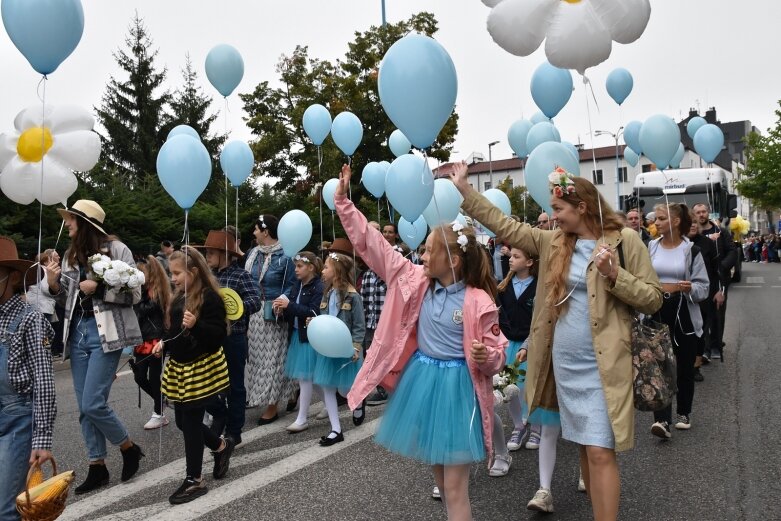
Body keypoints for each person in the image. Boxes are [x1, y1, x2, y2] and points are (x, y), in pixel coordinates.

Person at [450, 164, 662, 521]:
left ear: (581, 206)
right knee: (584, 446)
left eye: (559, 209)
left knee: (600, 451)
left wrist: (615, 274)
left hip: (603, 366)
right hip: (562, 366)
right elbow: (507, 227)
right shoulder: (553, 242)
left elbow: (653, 298)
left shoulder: (626, 241)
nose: (553, 215)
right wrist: (466, 192)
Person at [336, 165, 507, 521]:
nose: (423, 257)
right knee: (443, 484)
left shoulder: (478, 301)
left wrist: (486, 355)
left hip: (459, 389)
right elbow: (372, 244)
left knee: (457, 488)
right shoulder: (413, 280)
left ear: (453, 261)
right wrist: (344, 203)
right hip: (424, 384)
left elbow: (497, 355)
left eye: (430, 251)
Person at [46, 200, 144, 494]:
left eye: (71, 221)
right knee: (84, 408)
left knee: (92, 402)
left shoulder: (117, 250)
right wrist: (53, 285)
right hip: (77, 334)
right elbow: (65, 301)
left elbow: (136, 294)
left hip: (106, 333)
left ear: (85, 223)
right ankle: (97, 465)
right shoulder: (68, 255)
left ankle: (128, 447)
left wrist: (99, 288)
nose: (67, 226)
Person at [154, 248, 234, 504]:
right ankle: (221, 446)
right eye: (171, 272)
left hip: (200, 366)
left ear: (194, 272)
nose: (173, 278)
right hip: (181, 365)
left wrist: (196, 325)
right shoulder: (179, 297)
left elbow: (218, 336)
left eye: (177, 273)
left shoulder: (211, 298)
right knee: (182, 421)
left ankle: (194, 480)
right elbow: (174, 331)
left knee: (189, 421)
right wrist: (163, 343)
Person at [0, 237, 57, 521]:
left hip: (18, 419)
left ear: (11, 277)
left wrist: (42, 439)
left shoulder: (30, 319)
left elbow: (45, 382)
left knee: (8, 508)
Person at [648, 204, 709, 437]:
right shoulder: (651, 247)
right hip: (657, 309)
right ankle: (662, 420)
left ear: (675, 221)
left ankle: (684, 413)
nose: (657, 222)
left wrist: (690, 287)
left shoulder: (691, 250)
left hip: (684, 310)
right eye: (656, 218)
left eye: (662, 218)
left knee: (684, 366)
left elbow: (704, 287)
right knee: (659, 366)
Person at [197, 230, 261, 445]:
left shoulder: (241, 275)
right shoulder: (208, 276)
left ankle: (234, 430)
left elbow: (255, 301)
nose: (207, 257)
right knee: (208, 382)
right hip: (210, 336)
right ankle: (219, 417)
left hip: (234, 337)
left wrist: (234, 308)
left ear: (224, 253)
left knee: (235, 385)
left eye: (211, 253)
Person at [490, 247, 537, 478]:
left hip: (532, 344)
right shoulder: (503, 287)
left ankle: (536, 427)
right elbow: (500, 314)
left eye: (516, 256)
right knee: (510, 387)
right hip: (510, 344)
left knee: (532, 387)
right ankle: (519, 426)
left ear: (530, 262)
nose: (510, 259)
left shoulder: (539, 285)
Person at [244, 214, 296, 423]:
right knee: (257, 361)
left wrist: (282, 299)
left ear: (265, 231)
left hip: (275, 315)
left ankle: (273, 405)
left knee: (274, 361)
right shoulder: (252, 254)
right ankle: (261, 395)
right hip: (254, 315)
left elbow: (294, 283)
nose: (253, 233)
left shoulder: (287, 255)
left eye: (256, 229)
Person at [312, 250, 365, 445]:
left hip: (347, 349)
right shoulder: (327, 294)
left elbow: (359, 326)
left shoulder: (353, 297)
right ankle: (336, 429)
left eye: (326, 267)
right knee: (328, 388)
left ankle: (358, 403)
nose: (323, 270)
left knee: (345, 390)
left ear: (338, 271)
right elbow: (326, 320)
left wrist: (356, 347)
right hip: (329, 349)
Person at [274, 251, 324, 433]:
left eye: (299, 266)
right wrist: (281, 311)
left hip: (310, 336)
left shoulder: (318, 286)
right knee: (313, 379)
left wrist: (290, 306)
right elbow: (293, 311)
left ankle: (302, 418)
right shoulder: (297, 285)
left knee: (305, 377)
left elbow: (313, 312)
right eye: (295, 266)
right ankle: (328, 404)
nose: (296, 269)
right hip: (297, 334)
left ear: (311, 267)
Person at [130, 256, 171, 430]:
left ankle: (158, 413)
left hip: (156, 338)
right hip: (140, 339)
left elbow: (145, 309)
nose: (138, 275)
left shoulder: (157, 291)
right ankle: (162, 398)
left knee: (154, 378)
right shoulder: (138, 290)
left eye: (141, 272)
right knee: (139, 377)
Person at [692, 203, 737, 360]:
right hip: (699, 279)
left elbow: (732, 251)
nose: (701, 215)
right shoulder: (692, 234)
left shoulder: (721, 232)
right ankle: (704, 348)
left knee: (718, 312)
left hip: (718, 278)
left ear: (708, 213)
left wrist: (722, 267)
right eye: (698, 212)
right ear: (694, 215)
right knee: (702, 314)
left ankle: (717, 344)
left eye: (704, 211)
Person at [687, 221, 719, 383]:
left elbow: (716, 268)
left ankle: (696, 366)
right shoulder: (680, 244)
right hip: (684, 296)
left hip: (705, 293)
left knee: (700, 332)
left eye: (695, 224)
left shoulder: (707, 243)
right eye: (690, 222)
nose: (693, 225)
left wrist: (720, 290)